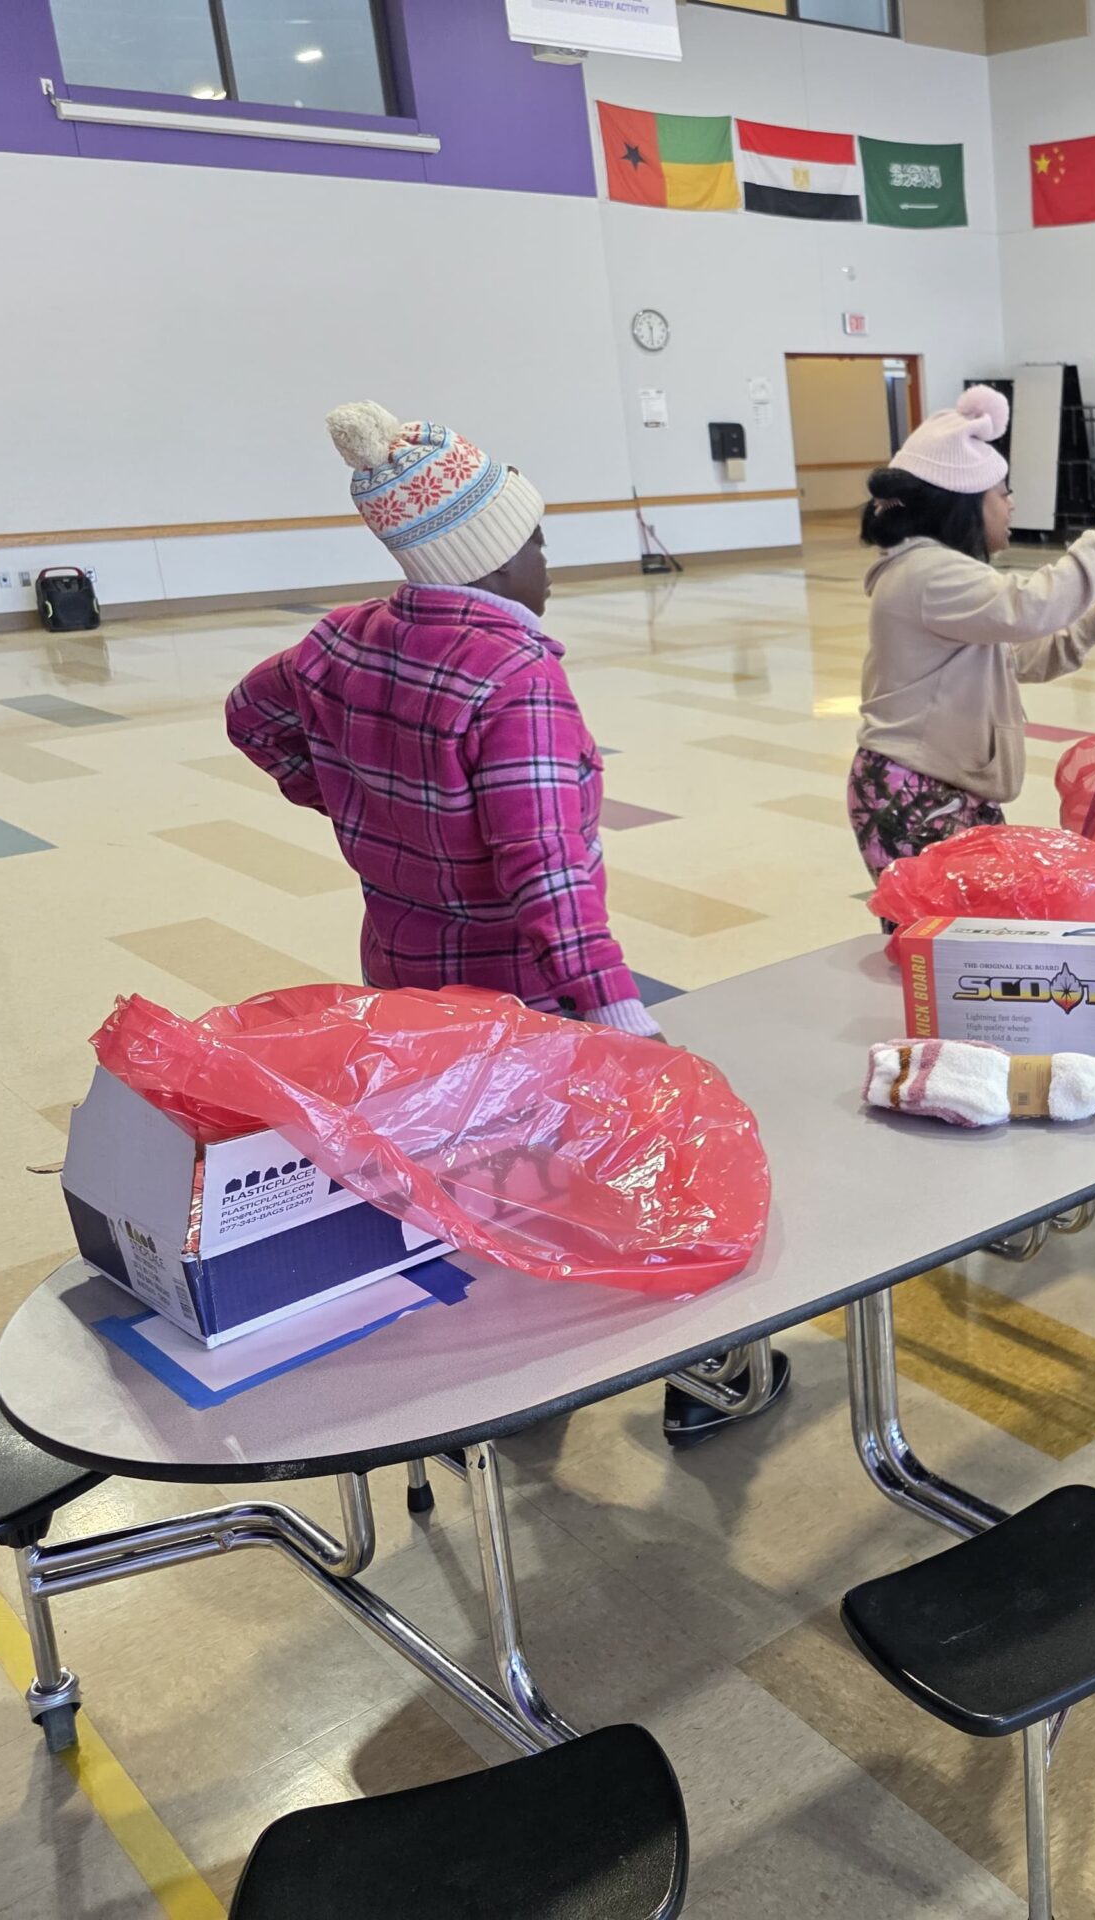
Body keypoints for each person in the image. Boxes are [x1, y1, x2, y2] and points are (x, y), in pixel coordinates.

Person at [226, 400, 780, 1451]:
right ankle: (613, 1364)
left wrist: (344, 795)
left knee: (451, 1161)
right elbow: (547, 872)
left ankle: (487, 1381)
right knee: (562, 1170)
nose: (545, 563)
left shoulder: (340, 640)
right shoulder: (516, 678)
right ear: (484, 557)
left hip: (401, 965)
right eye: (534, 542)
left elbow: (249, 716)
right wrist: (617, 1009)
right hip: (514, 991)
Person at [852, 386, 1095, 877]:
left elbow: (1013, 658)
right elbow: (1033, 607)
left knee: (978, 920)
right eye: (1002, 493)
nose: (1011, 504)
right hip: (915, 792)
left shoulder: (936, 571)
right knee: (946, 925)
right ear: (965, 504)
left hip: (949, 787)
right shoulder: (927, 572)